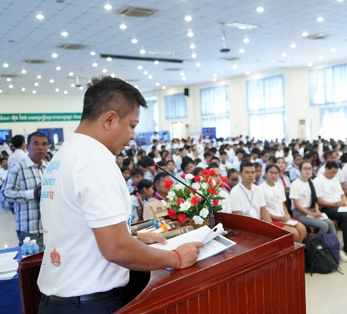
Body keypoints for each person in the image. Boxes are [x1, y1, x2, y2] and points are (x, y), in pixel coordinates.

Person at [37, 76, 202, 314]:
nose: (133, 135)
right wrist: (176, 258)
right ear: (109, 119)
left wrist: (130, 239)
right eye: (132, 125)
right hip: (87, 303)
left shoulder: (66, 154)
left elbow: (80, 231)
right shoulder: (95, 161)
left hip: (60, 300)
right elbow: (116, 250)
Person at [2, 131, 48, 248]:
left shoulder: (49, 168)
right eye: (36, 144)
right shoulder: (18, 168)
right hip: (28, 229)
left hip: (48, 228)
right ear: (27, 147)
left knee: (48, 263)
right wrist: (31, 193)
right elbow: (5, 194)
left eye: (44, 144)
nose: (41, 148)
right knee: (31, 263)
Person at [289, 162, 339, 241]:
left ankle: (334, 247)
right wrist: (311, 214)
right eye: (305, 169)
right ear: (300, 170)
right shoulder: (295, 184)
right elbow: (297, 205)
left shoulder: (312, 183)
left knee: (330, 223)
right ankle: (319, 248)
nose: (307, 171)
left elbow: (314, 200)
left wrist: (317, 211)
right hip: (300, 213)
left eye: (309, 169)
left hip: (311, 210)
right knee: (324, 225)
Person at [260, 164, 306, 243]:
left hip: (283, 218)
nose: (274, 175)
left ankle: (298, 250)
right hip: (272, 219)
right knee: (294, 233)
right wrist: (280, 218)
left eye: (276, 173)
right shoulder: (261, 188)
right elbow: (263, 211)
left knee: (302, 229)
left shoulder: (279, 186)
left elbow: (282, 204)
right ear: (266, 173)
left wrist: (287, 214)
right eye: (271, 172)